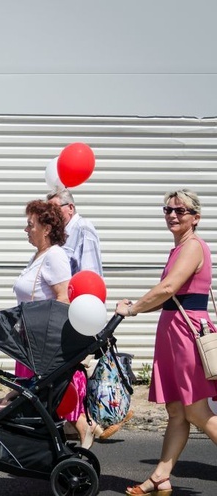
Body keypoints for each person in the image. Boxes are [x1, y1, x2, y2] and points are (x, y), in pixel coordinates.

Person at [0, 200, 97, 448]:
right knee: (29, 390)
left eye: (30, 225)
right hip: (29, 340)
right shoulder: (39, 256)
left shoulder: (55, 256)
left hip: (42, 343)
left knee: (42, 391)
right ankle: (7, 411)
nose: (25, 229)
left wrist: (52, 340)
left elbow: (63, 298)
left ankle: (84, 428)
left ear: (46, 228)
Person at [115, 189, 217, 496]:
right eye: (168, 210)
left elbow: (168, 286)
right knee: (176, 411)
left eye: (180, 211)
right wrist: (139, 303)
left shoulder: (193, 247)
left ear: (195, 218)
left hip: (186, 335)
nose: (172, 215)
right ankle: (161, 475)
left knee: (197, 411)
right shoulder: (178, 249)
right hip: (173, 333)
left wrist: (132, 309)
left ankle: (161, 474)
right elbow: (169, 296)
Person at [48, 188, 130, 440]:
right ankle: (80, 422)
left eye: (54, 208)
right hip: (67, 312)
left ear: (69, 208)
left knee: (80, 369)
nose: (50, 214)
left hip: (81, 312)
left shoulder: (83, 230)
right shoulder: (60, 235)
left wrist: (86, 316)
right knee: (69, 370)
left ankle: (93, 420)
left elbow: (91, 274)